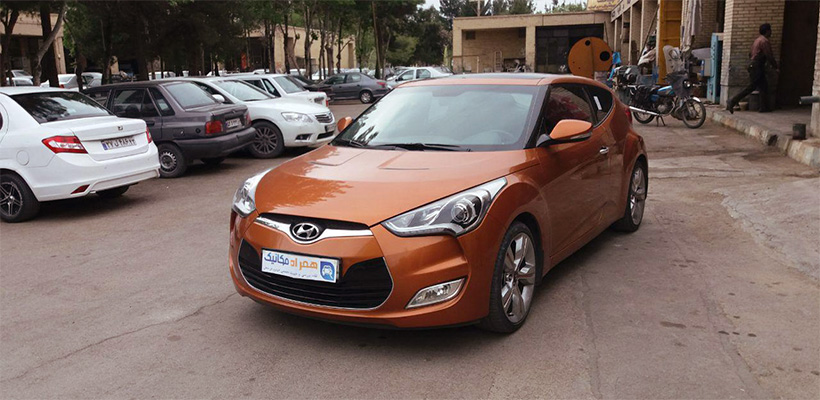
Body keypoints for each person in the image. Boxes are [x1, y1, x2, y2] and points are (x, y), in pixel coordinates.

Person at [726, 23, 779, 113]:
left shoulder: (757, 40)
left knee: (763, 87)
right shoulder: (764, 41)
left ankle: (764, 107)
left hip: (755, 65)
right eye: (770, 30)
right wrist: (775, 67)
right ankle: (733, 101)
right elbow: (769, 55)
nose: (771, 32)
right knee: (752, 87)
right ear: (767, 31)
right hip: (757, 66)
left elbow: (750, 54)